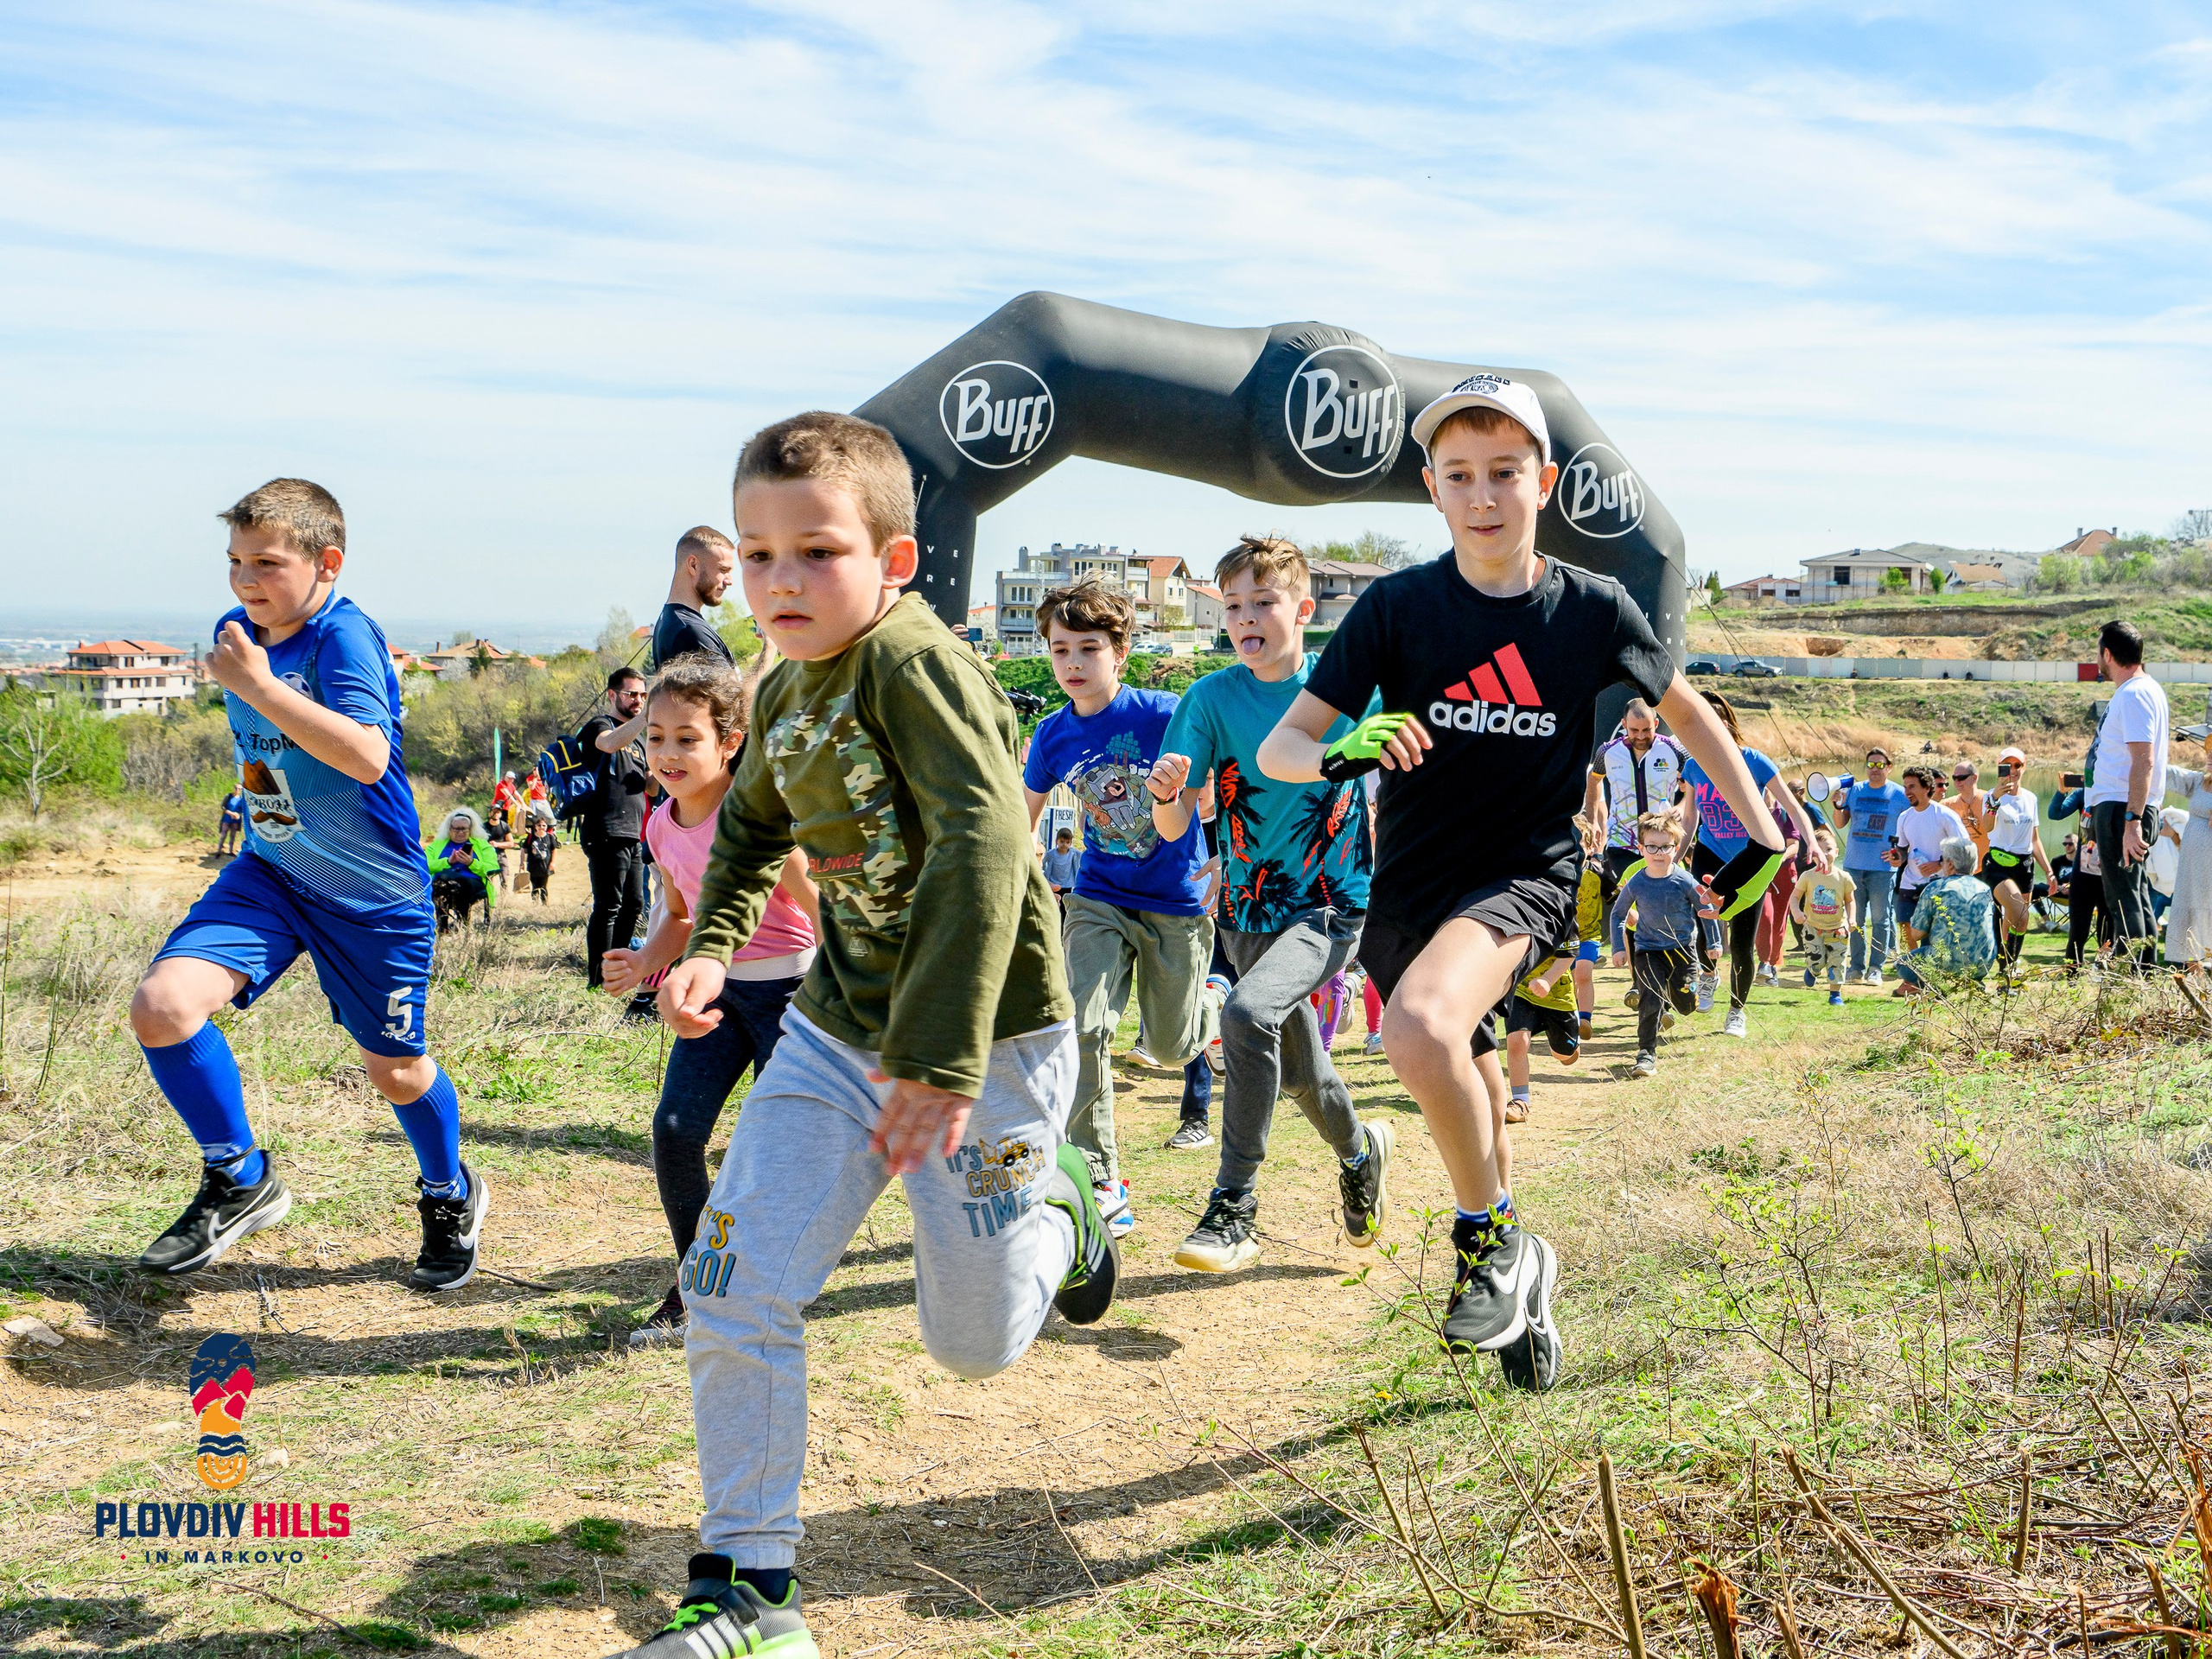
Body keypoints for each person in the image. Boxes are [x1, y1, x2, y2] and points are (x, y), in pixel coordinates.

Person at [624, 413, 1116, 1659]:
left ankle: (1063, 1206)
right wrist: (714, 947)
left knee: (972, 1345)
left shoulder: (919, 668)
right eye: (759, 554)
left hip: (987, 1044)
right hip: (837, 1031)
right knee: (731, 1282)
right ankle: (754, 1593)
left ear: (892, 564)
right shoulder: (781, 688)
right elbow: (742, 836)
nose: (781, 581)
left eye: (817, 552)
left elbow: (986, 848)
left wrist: (944, 1062)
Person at [1256, 374, 1785, 1387]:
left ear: (1543, 481)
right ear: (1433, 491)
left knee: (1414, 1031)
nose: (1483, 494)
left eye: (1504, 472)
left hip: (1524, 874)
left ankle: (1487, 1242)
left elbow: (1688, 715)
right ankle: (1523, 1286)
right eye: (1459, 475)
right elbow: (1282, 748)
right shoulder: (1396, 608)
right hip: (1409, 887)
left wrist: (1763, 840)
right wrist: (1345, 746)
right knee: (1477, 1078)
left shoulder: (1591, 609)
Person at [127, 478, 484, 1293]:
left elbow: (366, 756)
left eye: (266, 563)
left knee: (394, 1072)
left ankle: (448, 1190)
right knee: (163, 1007)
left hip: (372, 894)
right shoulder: (235, 634)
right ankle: (239, 1176)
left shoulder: (342, 638)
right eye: (234, 562)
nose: (246, 581)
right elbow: (261, 752)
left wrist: (259, 686)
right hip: (273, 872)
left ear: (327, 563)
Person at [1147, 537, 1394, 1274]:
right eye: (1232, 605)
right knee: (1296, 1072)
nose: (1245, 616)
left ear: (1303, 610)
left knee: (1246, 1014)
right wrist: (1166, 794)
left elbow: (1404, 766)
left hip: (1332, 906)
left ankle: (1233, 1206)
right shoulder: (1208, 699)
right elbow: (1173, 826)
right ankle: (1359, 1154)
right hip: (1247, 914)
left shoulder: (1348, 690)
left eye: (1264, 602)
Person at [599, 658, 818, 1347]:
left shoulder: (762, 817)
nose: (666, 753)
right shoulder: (660, 825)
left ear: (728, 742)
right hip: (713, 992)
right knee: (675, 1131)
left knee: (767, 1152)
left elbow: (824, 911)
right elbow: (682, 913)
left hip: (792, 994)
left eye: (686, 738)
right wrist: (643, 959)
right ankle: (697, 1285)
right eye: (655, 737)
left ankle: (761, 1282)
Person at [1021, 578, 1214, 1237]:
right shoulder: (1050, 737)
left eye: (1088, 649)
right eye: (1059, 650)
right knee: (1081, 1028)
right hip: (1099, 896)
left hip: (1176, 903)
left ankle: (1207, 1004)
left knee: (1168, 1047)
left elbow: (1213, 801)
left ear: (1120, 653)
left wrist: (1189, 794)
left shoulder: (1166, 713)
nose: (1072, 664)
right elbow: (1024, 821)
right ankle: (1101, 1177)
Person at [1680, 688, 1825, 1038]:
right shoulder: (1693, 766)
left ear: (1728, 725)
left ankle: (1736, 1011)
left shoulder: (1756, 761)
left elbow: (1793, 808)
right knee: (1703, 924)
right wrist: (1675, 853)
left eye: (1715, 724)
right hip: (1710, 853)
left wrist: (1812, 844)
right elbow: (1689, 818)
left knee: (1743, 945)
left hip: (1750, 859)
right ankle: (1709, 975)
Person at [1608, 809, 1717, 1077]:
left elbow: (1706, 908)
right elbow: (1618, 914)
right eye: (1652, 847)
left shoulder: (1683, 879)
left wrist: (1713, 943)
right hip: (1647, 949)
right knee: (1649, 1000)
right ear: (1641, 848)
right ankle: (1646, 1055)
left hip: (1682, 950)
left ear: (1676, 847)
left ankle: (1680, 992)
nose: (1659, 853)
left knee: (1687, 1005)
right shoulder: (1637, 882)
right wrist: (1619, 948)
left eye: (1665, 847)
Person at [2087, 620, 2171, 969]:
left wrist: (2132, 820)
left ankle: (2131, 979)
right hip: (2124, 806)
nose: (2097, 659)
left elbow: (2144, 760)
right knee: (2134, 896)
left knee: (2123, 899)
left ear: (2108, 654)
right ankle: (2145, 978)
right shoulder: (2140, 691)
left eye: (2098, 652)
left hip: (2124, 808)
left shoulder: (2136, 693)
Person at [578, 666, 652, 989]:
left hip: (634, 831)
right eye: (632, 694)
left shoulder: (639, 740)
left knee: (634, 903)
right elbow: (607, 745)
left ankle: (617, 972)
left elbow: (649, 787)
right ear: (613, 695)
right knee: (608, 905)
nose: (638, 700)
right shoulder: (602, 725)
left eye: (643, 695)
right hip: (606, 827)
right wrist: (646, 718)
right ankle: (598, 978)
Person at [1585, 698, 1689, 913]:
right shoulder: (1608, 752)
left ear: (1657, 724)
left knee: (1659, 905)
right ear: (1624, 725)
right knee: (1628, 905)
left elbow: (1696, 779)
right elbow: (1594, 780)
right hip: (1622, 840)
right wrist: (1591, 819)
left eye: (1646, 730)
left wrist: (1682, 805)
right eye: (1634, 730)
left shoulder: (1673, 749)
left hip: (1661, 840)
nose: (1640, 736)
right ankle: (1629, 948)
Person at [1968, 747, 2049, 970]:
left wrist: (2049, 873)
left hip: (2025, 865)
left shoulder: (2031, 798)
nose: (2013, 771)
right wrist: (1995, 799)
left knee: (2018, 920)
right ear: (2000, 767)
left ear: (2024, 767)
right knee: (2019, 912)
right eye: (2008, 765)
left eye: (2017, 766)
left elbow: (2034, 840)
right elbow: (1987, 826)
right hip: (1998, 863)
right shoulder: (1991, 796)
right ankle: (2007, 963)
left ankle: (2008, 965)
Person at [1835, 747, 1907, 984]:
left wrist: (1900, 852)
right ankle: (1855, 967)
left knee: (1880, 920)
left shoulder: (1899, 795)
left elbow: (1911, 825)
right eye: (1870, 765)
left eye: (1879, 765)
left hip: (1883, 869)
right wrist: (1837, 805)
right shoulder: (1854, 790)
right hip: (1854, 865)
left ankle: (1875, 967)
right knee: (1854, 920)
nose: (1874, 769)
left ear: (1889, 767)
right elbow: (1840, 822)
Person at [1894, 836, 1997, 995]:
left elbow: (1916, 934)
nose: (1941, 864)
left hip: (1946, 963)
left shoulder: (1936, 888)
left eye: (1942, 860)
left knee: (1902, 965)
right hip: (1982, 964)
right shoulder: (1984, 889)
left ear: (1950, 864)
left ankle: (1921, 984)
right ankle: (1973, 982)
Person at [1889, 766, 1970, 944]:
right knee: (1905, 925)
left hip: (1937, 882)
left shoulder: (1944, 815)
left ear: (1926, 788)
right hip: (1909, 881)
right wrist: (1897, 857)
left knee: (1930, 932)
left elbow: (1963, 846)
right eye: (1905, 787)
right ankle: (1912, 967)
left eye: (1912, 787)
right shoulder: (1904, 817)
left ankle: (1929, 968)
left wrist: (1940, 864)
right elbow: (1902, 848)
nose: (1907, 792)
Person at [1503, 952, 1579, 1122]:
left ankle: (1567, 1043)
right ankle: (1520, 1102)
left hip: (1558, 998)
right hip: (1522, 990)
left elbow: (1570, 953)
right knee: (1517, 1042)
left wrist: (1547, 980)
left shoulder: (1563, 924)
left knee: (1565, 1055)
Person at [652, 526, 739, 671]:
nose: (729, 581)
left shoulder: (671, 621)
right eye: (723, 570)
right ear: (693, 565)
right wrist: (769, 650)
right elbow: (736, 694)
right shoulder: (690, 631)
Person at [1786, 829, 1856, 1006]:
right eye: (1820, 850)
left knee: (1837, 963)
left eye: (1829, 849)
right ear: (1813, 853)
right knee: (1817, 960)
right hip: (1813, 928)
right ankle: (1813, 970)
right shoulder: (1808, 876)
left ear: (1837, 852)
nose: (1825, 854)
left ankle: (1835, 995)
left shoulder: (1844, 877)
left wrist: (1851, 919)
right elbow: (1794, 898)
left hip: (1838, 930)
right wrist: (1796, 912)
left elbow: (1850, 901)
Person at [2163, 734, 2212, 963]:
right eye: (2209, 752)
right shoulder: (2199, 781)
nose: (2210, 755)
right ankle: (2194, 977)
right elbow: (2170, 774)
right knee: (2191, 910)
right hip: (2192, 865)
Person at [427, 808, 499, 932]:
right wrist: (448, 862)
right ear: (449, 829)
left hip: (473, 883)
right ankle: (443, 925)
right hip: (442, 883)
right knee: (440, 884)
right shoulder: (436, 845)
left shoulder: (482, 845)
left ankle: (462, 923)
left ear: (470, 829)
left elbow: (493, 867)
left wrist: (471, 863)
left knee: (459, 884)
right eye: (457, 829)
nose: (461, 832)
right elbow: (425, 865)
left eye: (464, 829)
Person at [522, 807, 558, 904]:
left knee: (544, 886)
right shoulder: (531, 837)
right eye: (539, 825)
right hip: (533, 866)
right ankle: (535, 904)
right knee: (534, 886)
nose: (542, 827)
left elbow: (554, 850)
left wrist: (553, 863)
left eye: (544, 825)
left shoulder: (550, 837)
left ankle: (545, 904)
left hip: (545, 866)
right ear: (535, 827)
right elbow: (523, 848)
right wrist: (522, 862)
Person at [1040, 828, 1081, 903]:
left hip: (1068, 884)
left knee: (1065, 904)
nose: (1064, 844)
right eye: (1061, 842)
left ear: (1070, 843)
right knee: (1055, 902)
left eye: (1067, 842)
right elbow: (1041, 861)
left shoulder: (1073, 854)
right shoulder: (1051, 854)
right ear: (1056, 841)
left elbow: (1082, 858)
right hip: (1054, 883)